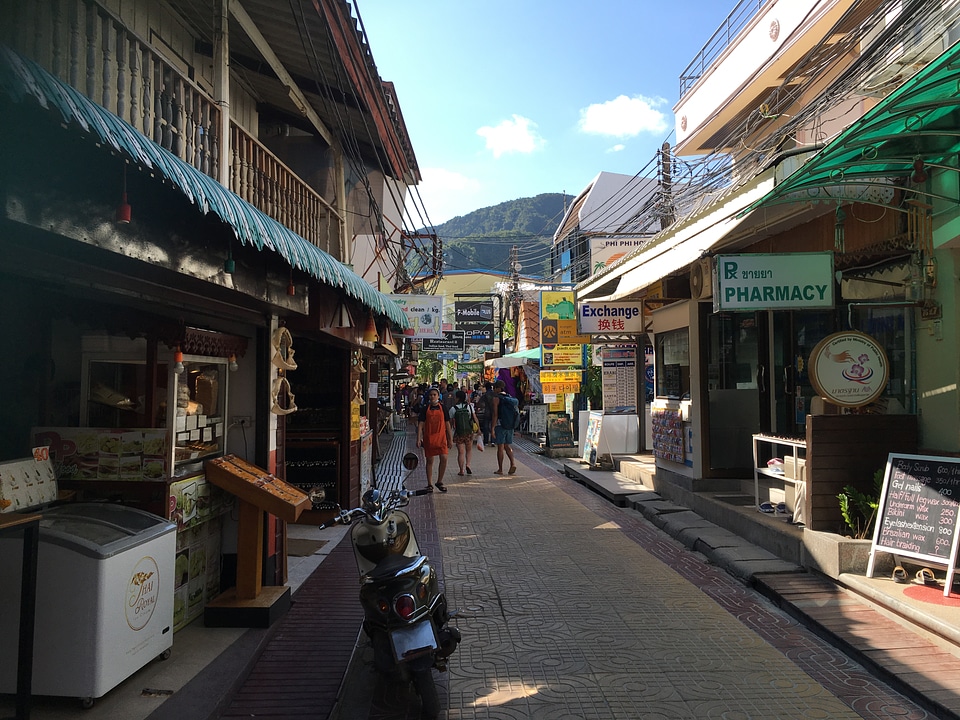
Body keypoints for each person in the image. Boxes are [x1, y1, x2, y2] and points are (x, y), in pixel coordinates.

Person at [416, 387, 449, 492]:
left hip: (441, 438)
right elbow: (421, 424)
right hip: (429, 438)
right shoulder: (425, 408)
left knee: (444, 458)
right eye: (431, 395)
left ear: (438, 396)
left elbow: (447, 423)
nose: (432, 397)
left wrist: (450, 438)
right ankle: (430, 484)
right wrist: (419, 438)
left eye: (434, 395)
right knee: (430, 460)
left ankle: (439, 481)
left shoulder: (443, 408)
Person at [490, 380, 519, 475]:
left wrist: (493, 428)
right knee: (507, 445)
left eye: (495, 388)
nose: (493, 390)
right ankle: (513, 463)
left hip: (500, 425)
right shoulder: (509, 397)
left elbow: (495, 414)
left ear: (498, 388)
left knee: (500, 447)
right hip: (510, 425)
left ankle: (500, 469)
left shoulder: (496, 398)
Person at [449, 389, 479, 476]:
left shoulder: (453, 409)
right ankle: (468, 465)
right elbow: (475, 418)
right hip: (469, 432)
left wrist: (449, 435)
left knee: (461, 452)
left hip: (459, 433)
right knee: (469, 450)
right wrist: (479, 429)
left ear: (457, 398)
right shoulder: (469, 407)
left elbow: (450, 423)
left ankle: (461, 470)